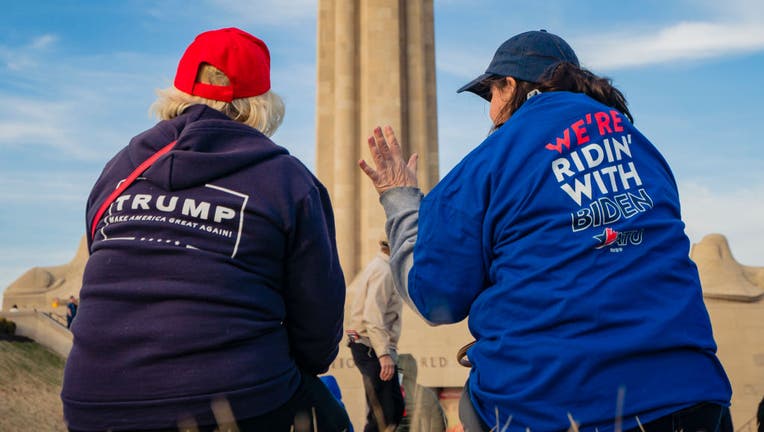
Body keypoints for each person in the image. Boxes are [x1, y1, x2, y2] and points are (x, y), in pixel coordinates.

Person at [359, 30, 732, 432]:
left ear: (513, 86)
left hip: (552, 406)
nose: (491, 112)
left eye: (492, 95)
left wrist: (400, 200)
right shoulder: (643, 148)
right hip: (693, 398)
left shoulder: (491, 161)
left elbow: (434, 297)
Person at [61, 27, 350, 432]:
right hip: (235, 401)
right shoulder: (287, 180)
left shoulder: (118, 170)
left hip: (92, 405)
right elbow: (317, 326)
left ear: (175, 92)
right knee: (331, 415)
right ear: (262, 104)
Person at [346, 240, 404, 432]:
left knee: (393, 410)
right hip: (371, 348)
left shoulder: (381, 268)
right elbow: (372, 316)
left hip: (372, 347)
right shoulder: (383, 271)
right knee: (383, 415)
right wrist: (384, 354)